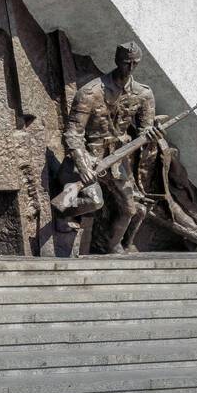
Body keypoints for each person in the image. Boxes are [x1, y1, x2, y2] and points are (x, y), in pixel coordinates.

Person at [62, 41, 161, 253]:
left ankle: (113, 244)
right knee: (93, 200)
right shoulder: (89, 92)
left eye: (135, 63)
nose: (131, 67)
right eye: (127, 63)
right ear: (117, 61)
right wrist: (83, 165)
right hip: (90, 156)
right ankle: (62, 214)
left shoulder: (144, 94)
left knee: (130, 208)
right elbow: (73, 134)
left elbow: (145, 131)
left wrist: (152, 135)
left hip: (118, 161)